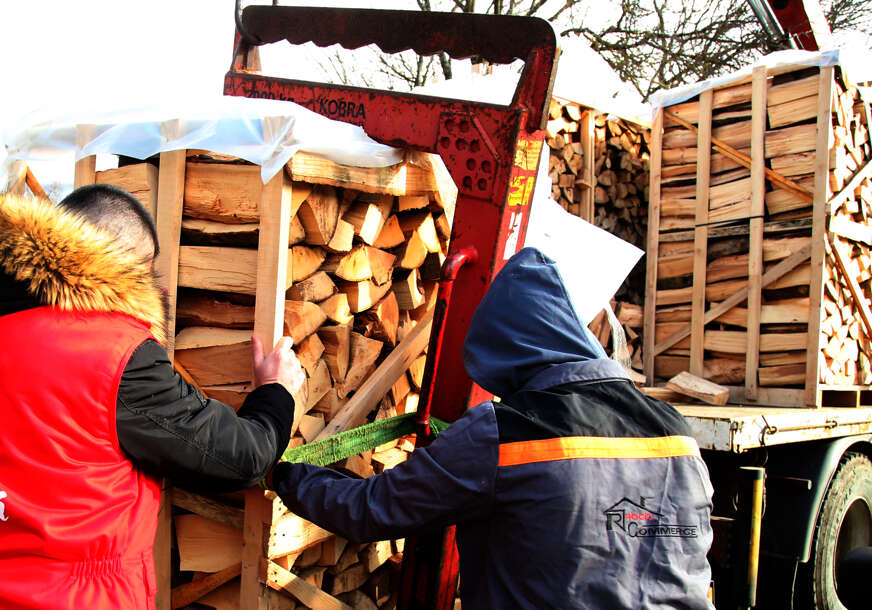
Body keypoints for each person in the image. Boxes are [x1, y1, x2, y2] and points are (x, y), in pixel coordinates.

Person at [272, 246, 714, 609]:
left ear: (509, 354)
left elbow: (371, 509)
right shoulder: (675, 431)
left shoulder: (507, 434)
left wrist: (280, 470)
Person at [0, 185, 305, 609]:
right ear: (129, 269)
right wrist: (275, 391)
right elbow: (241, 457)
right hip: (79, 597)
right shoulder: (114, 353)